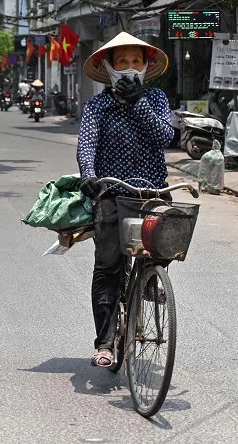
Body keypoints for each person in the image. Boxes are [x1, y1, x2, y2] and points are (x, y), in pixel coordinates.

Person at [75, 32, 174, 369]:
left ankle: (148, 280)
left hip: (151, 192)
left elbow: (164, 135)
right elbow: (86, 143)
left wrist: (139, 102)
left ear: (146, 66)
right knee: (107, 265)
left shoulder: (157, 98)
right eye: (123, 62)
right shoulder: (98, 105)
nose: (130, 68)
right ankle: (104, 343)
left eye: (136, 61)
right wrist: (87, 172)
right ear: (110, 66)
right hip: (111, 193)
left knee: (170, 240)